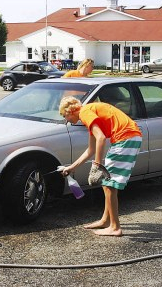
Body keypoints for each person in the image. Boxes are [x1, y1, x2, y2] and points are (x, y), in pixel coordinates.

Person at [59, 96, 142, 236]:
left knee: (109, 184)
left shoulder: (85, 112)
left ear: (71, 111)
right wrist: (71, 168)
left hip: (125, 138)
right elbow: (90, 149)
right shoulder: (90, 114)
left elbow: (101, 138)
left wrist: (97, 165)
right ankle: (105, 220)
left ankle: (115, 227)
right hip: (129, 137)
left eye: (64, 116)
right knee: (107, 184)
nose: (66, 120)